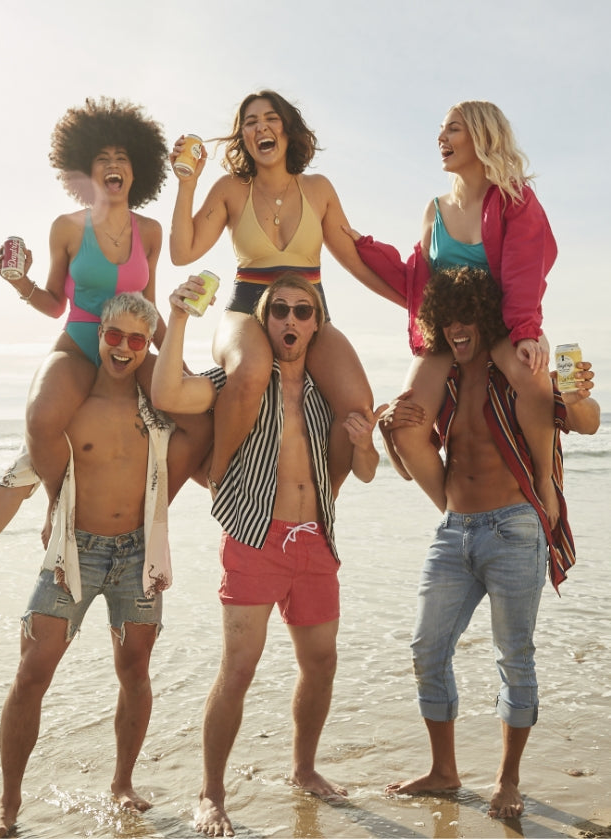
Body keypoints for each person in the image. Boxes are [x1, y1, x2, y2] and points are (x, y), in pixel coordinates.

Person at [0, 293, 212, 838]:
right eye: (113, 335)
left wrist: (168, 337)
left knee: (135, 671)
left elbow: (203, 430)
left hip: (137, 559)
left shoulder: (157, 417)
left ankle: (122, 782)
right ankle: (7, 805)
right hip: (73, 555)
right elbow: (13, 486)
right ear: (98, 334)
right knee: (32, 673)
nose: (123, 348)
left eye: (135, 340)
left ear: (147, 347)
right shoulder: (67, 411)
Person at [151, 271, 382, 837]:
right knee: (239, 670)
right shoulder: (236, 385)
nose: (291, 321)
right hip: (256, 538)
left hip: (316, 541)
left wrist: (364, 441)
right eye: (280, 310)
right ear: (265, 319)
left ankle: (304, 769)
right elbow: (168, 393)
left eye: (303, 312)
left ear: (316, 324)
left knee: (321, 663)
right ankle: (211, 793)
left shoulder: (330, 398)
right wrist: (177, 316)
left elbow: (369, 472)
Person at [379, 266, 600, 820]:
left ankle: (507, 781)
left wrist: (574, 393)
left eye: (467, 317)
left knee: (514, 658)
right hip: (454, 529)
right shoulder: (444, 382)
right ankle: (444, 770)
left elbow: (589, 423)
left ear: (486, 317)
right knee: (426, 649)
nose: (457, 328)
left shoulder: (521, 372)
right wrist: (389, 428)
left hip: (514, 528)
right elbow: (409, 468)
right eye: (447, 319)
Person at [169, 89, 405, 495]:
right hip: (246, 312)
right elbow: (182, 251)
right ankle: (220, 477)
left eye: (271, 118)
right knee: (249, 373)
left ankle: (323, 495)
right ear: (242, 137)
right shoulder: (230, 188)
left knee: (358, 405)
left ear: (287, 128)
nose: (260, 127)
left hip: (311, 313)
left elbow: (356, 261)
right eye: (250, 121)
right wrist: (186, 183)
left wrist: (413, 304)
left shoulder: (319, 189)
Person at [346, 100, 560, 526]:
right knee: (406, 424)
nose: (441, 138)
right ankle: (454, 513)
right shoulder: (435, 209)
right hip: (448, 330)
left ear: (481, 136)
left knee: (533, 379)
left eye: (453, 129)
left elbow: (524, 269)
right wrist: (362, 245)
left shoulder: (513, 198)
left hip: (503, 323)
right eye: (441, 131)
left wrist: (527, 333)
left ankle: (544, 480)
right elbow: (415, 278)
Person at [0, 97, 169, 503]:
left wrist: (177, 364)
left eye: (122, 157)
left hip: (131, 349)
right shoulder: (67, 228)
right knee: (41, 420)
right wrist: (20, 282)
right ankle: (58, 505)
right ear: (87, 172)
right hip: (77, 346)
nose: (113, 164)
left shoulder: (152, 231)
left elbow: (150, 308)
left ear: (135, 169)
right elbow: (55, 304)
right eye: (102, 158)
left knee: (193, 415)